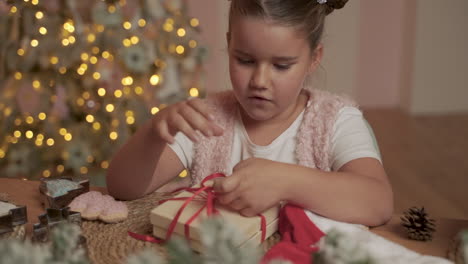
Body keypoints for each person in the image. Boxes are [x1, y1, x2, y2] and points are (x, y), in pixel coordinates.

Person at [106, 0, 393, 227]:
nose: (259, 81)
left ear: (313, 58)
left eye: (281, 66)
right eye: (245, 60)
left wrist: (286, 182)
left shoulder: (334, 121)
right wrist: (153, 133)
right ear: (230, 44)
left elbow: (378, 203)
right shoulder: (207, 119)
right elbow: (122, 188)